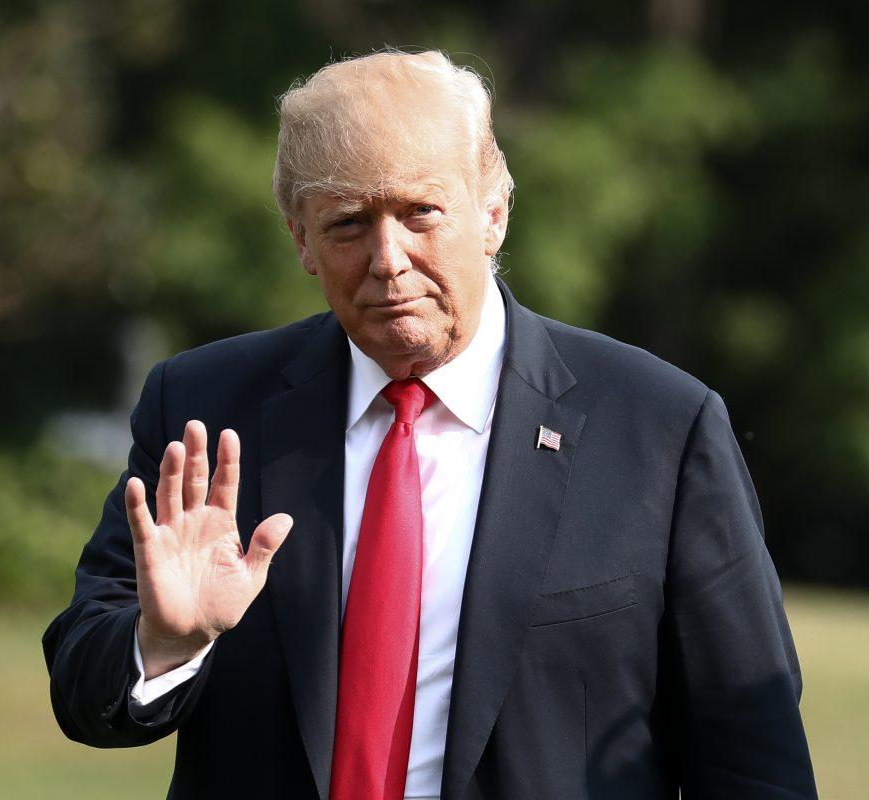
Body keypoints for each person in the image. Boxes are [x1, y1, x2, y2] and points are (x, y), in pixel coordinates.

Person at [42, 49, 817, 799]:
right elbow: (85, 688)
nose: (389, 257)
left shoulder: (659, 428)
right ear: (300, 240)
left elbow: (753, 756)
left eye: (421, 212)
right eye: (348, 223)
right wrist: (166, 643)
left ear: (493, 213)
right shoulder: (206, 407)